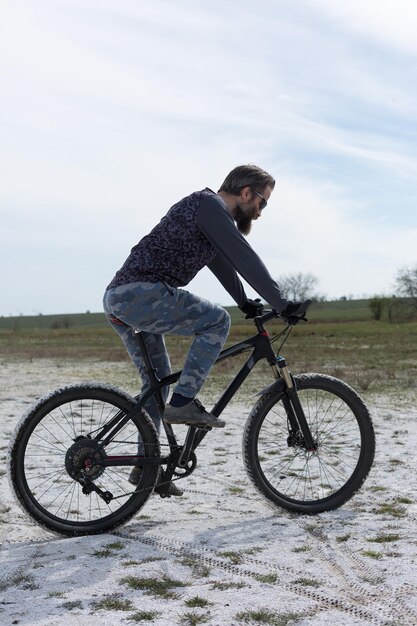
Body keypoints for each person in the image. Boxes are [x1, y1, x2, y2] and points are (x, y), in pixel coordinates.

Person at [103, 164, 301, 495]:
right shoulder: (210, 206)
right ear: (246, 193)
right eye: (262, 203)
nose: (261, 212)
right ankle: (184, 402)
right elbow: (244, 257)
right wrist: (282, 303)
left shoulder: (209, 217)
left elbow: (223, 264)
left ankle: (146, 469)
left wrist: (245, 301)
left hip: (121, 299)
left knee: (157, 384)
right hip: (141, 293)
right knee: (216, 321)